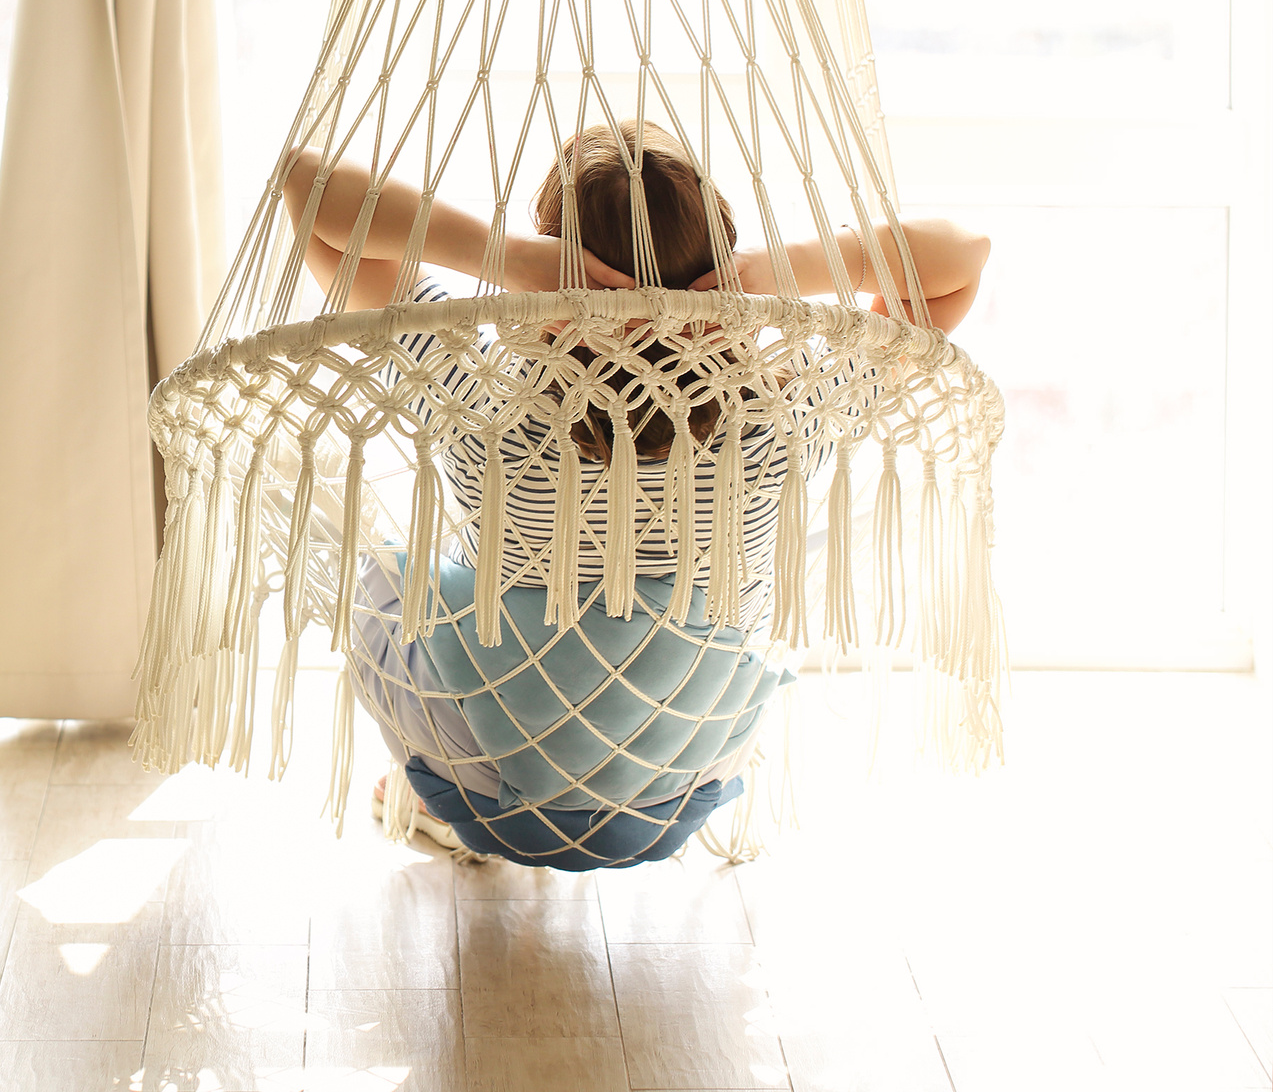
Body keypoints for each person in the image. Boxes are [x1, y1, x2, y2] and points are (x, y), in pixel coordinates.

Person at [282, 122, 992, 867]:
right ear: (718, 259)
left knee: (394, 575)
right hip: (674, 791)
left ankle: (427, 794)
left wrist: (508, 258)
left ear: (554, 275)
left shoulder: (480, 402)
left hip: (483, 793)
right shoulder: (778, 425)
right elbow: (960, 260)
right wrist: (763, 276)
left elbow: (306, 187)